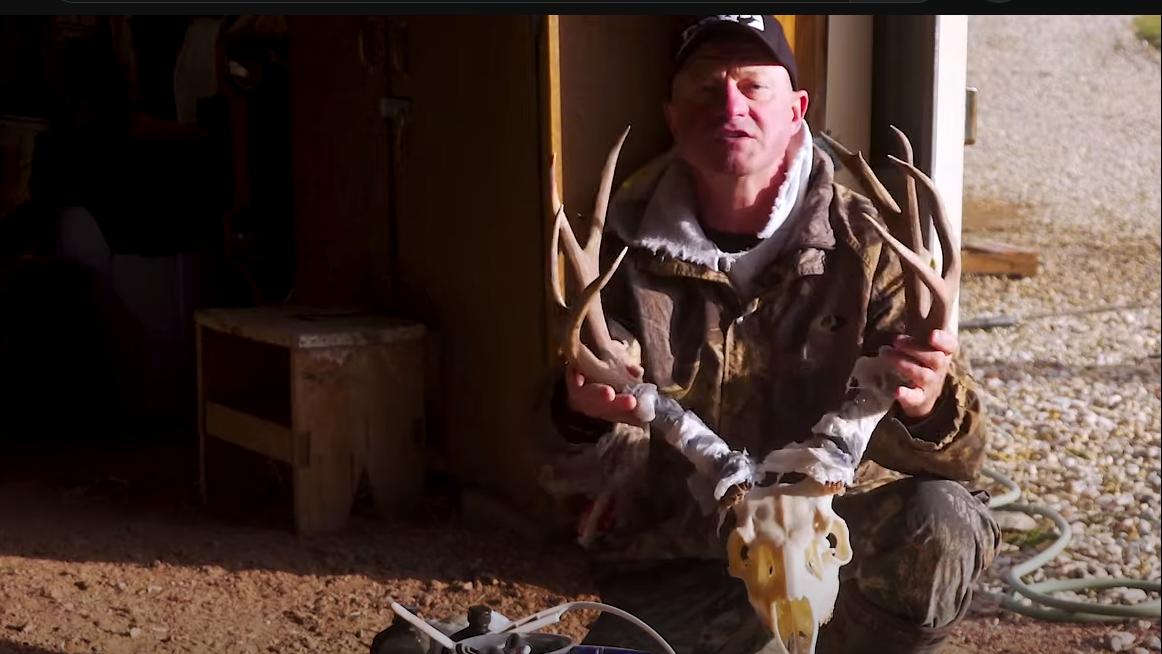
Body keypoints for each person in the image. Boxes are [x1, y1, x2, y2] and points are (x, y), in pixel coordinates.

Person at [540, 15, 1001, 654]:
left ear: (796, 110)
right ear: (672, 115)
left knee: (941, 519)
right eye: (706, 87)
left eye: (753, 86)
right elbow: (586, 492)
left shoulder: (872, 248)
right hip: (697, 561)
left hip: (838, 553)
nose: (730, 105)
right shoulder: (617, 265)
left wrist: (928, 407)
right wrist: (585, 418)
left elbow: (963, 459)